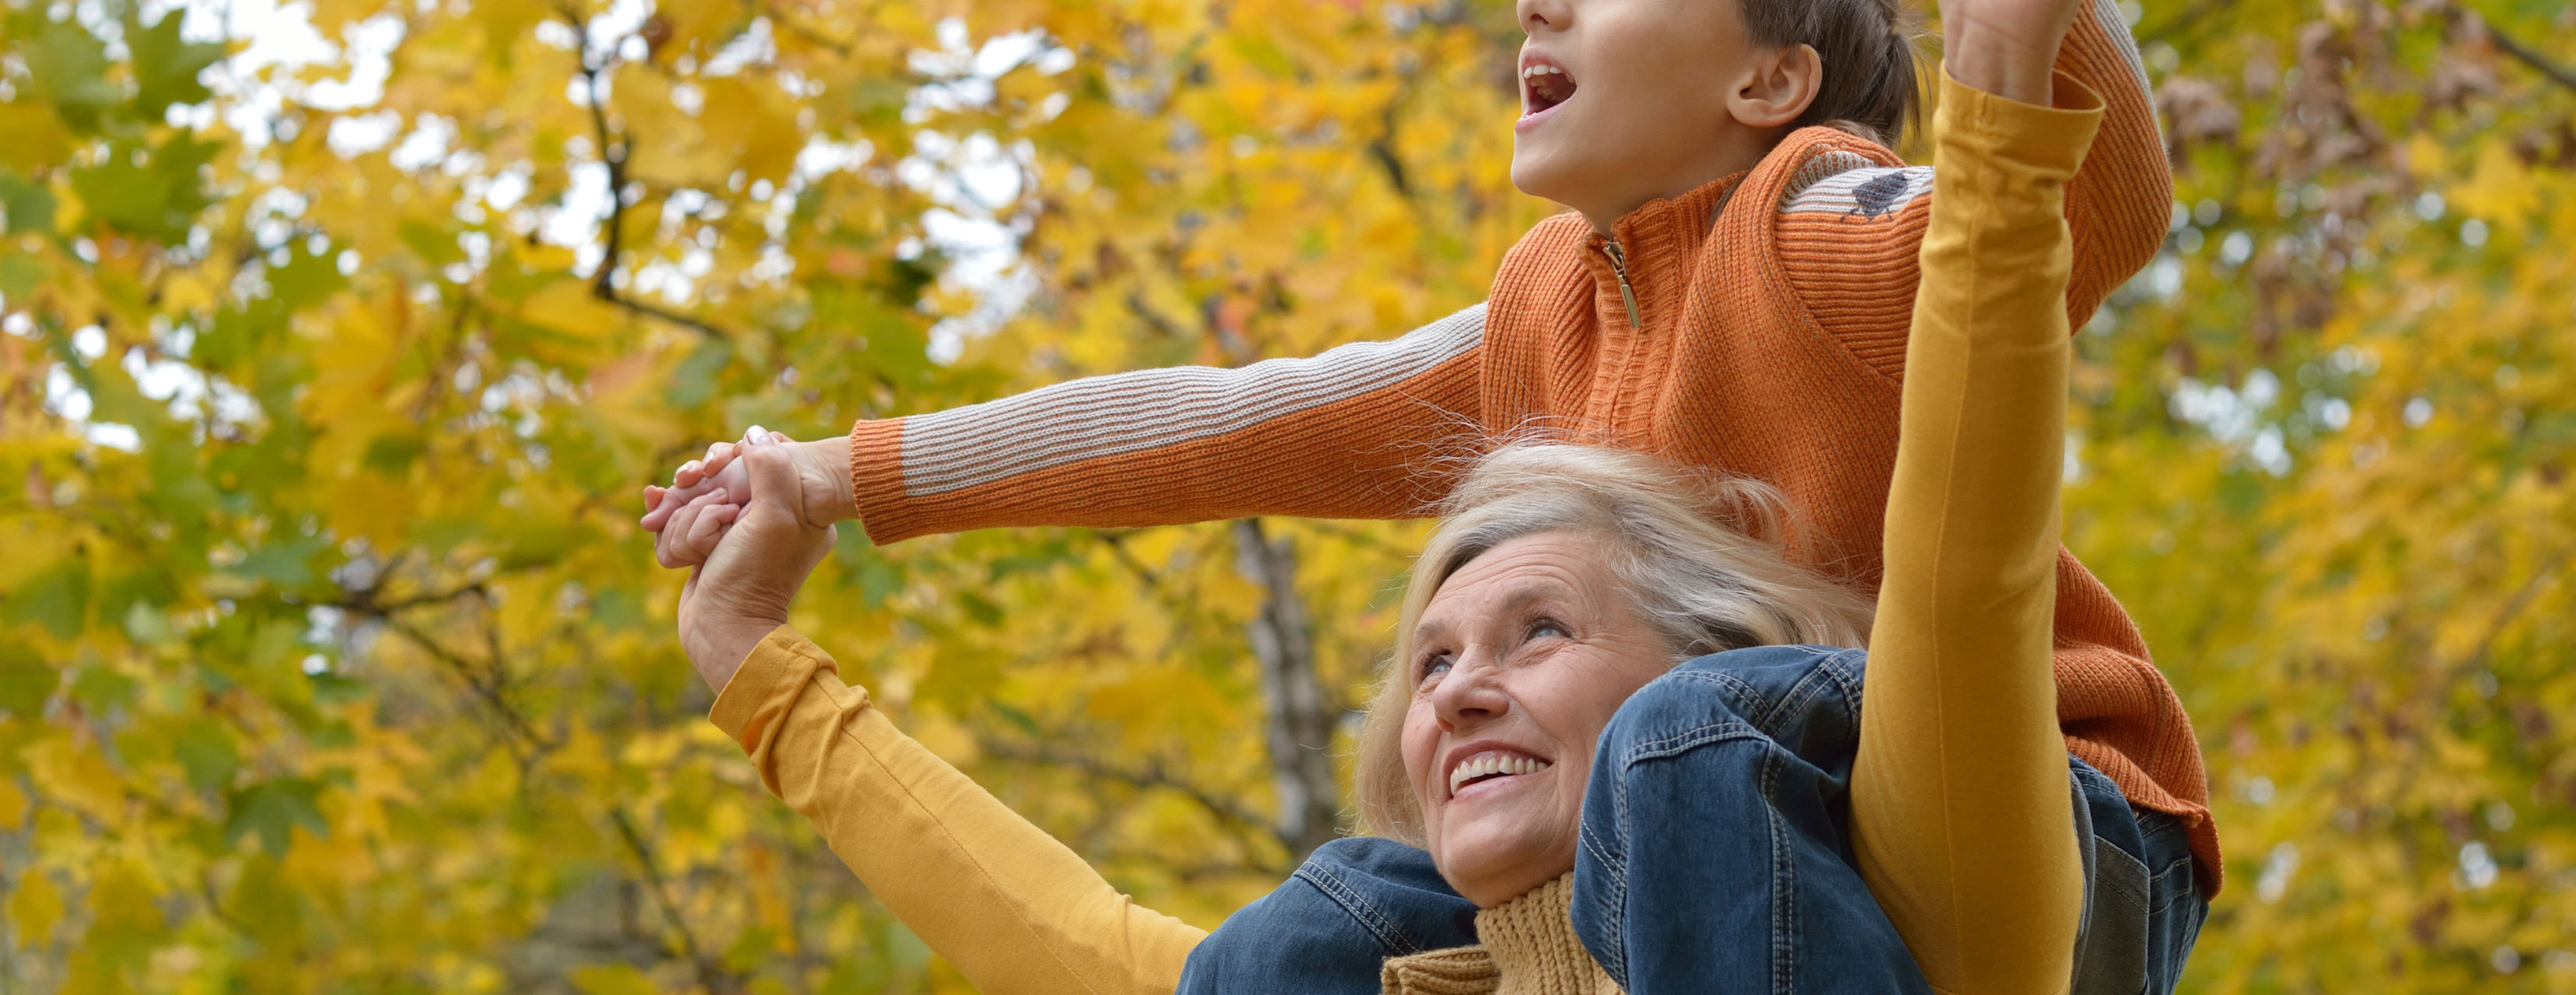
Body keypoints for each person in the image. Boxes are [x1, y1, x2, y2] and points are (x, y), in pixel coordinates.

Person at [662, 9, 2207, 987]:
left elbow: (2085, 215)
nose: (1537, 6)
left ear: (1771, 72)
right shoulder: (1546, 317)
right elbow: (1226, 424)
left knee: (1685, 736)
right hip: (1695, 844)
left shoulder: (1817, 220)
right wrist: (836, 478)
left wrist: (2020, 47)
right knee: (1311, 936)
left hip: (2055, 817)